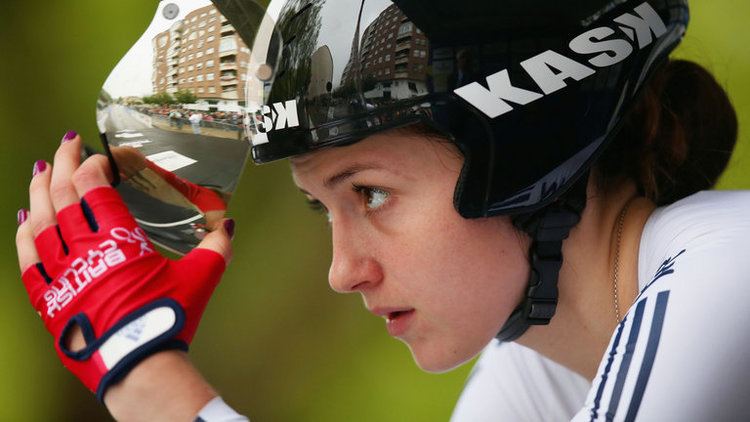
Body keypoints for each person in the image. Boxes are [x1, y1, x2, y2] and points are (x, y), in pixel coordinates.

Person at [14, 1, 750, 421]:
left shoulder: (724, 279)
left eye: (369, 193)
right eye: (319, 207)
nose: (342, 272)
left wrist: (147, 372)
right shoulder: (545, 366)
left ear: (525, 150)